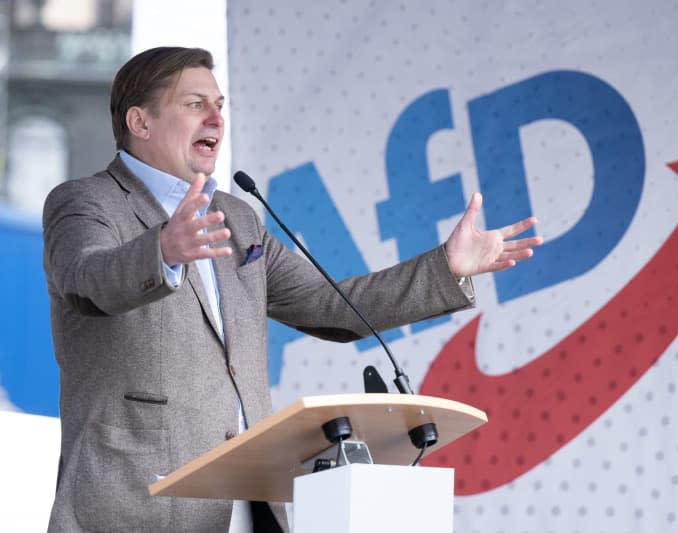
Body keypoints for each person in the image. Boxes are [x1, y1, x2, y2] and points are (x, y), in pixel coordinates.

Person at [42, 47, 543, 532]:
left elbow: (334, 307)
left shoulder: (237, 217)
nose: (215, 118)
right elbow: (89, 279)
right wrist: (163, 252)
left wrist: (445, 267)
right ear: (140, 122)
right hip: (140, 501)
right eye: (195, 105)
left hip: (248, 498)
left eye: (220, 106)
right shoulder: (85, 203)